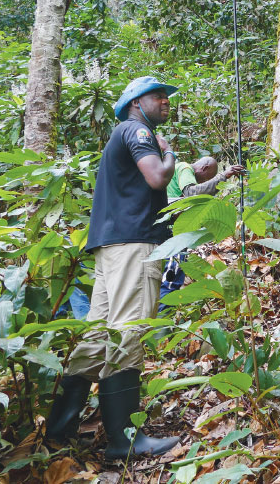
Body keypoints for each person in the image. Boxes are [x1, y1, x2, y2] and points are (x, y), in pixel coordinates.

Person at [46, 76, 181, 460]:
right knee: (129, 331)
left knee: (96, 338)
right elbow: (157, 177)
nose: (165, 101)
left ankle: (58, 432)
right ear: (137, 102)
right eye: (158, 96)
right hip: (133, 245)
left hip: (110, 247)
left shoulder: (119, 135)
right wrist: (169, 154)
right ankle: (125, 442)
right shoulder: (137, 131)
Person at [160, 156, 245, 306]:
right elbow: (192, 193)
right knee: (170, 281)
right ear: (204, 168)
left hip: (166, 232)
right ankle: (163, 322)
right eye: (206, 179)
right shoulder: (185, 168)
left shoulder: (174, 172)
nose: (202, 183)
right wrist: (223, 176)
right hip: (173, 235)